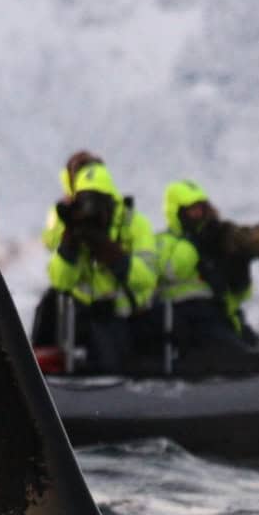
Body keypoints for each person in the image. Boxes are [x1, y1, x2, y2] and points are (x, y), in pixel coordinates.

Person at [40, 153, 156, 374]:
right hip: (79, 320)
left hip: (126, 323)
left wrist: (111, 252)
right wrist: (70, 242)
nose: (90, 210)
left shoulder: (135, 224)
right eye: (85, 201)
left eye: (97, 201)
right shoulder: (71, 227)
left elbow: (146, 277)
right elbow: (60, 281)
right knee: (49, 306)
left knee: (110, 355)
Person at [152, 179, 259, 373]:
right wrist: (194, 244)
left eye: (201, 210)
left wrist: (240, 264)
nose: (198, 216)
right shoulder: (162, 241)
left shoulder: (211, 242)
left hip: (217, 316)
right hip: (184, 317)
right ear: (176, 212)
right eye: (191, 211)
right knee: (239, 357)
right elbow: (172, 269)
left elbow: (239, 295)